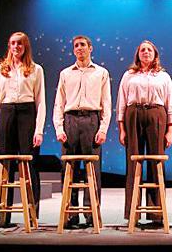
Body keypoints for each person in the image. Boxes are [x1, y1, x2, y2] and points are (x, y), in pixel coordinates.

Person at [117, 40, 172, 225]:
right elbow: (121, 102)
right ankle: (132, 213)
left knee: (155, 162)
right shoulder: (129, 75)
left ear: (155, 54)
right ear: (138, 54)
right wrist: (122, 129)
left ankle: (156, 212)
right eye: (142, 49)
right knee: (133, 163)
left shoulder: (163, 76)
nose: (146, 52)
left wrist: (170, 130)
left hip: (156, 115)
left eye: (149, 50)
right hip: (133, 114)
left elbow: (171, 103)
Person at [53, 35, 111, 228]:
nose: (79, 48)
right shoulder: (65, 73)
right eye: (76, 46)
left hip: (91, 120)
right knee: (69, 169)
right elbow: (59, 103)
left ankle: (91, 212)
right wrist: (59, 128)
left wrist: (103, 128)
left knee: (92, 170)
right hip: (70, 120)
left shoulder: (101, 72)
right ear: (73, 50)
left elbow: (106, 104)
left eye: (83, 45)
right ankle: (70, 213)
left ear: (90, 48)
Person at [0, 31, 46, 227]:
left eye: (20, 44)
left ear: (25, 46)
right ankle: (4, 214)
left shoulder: (35, 69)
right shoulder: (0, 70)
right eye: (13, 43)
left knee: (30, 163)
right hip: (6, 112)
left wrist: (39, 130)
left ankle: (32, 213)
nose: (16, 47)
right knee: (6, 164)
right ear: (9, 46)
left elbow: (41, 101)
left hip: (27, 112)